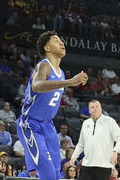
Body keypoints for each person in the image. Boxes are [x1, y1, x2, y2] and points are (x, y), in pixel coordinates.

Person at [17, 31, 88, 180]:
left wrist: (68, 81)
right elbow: (37, 85)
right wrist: (69, 82)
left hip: (48, 126)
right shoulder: (44, 65)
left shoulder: (60, 72)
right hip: (30, 123)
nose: (62, 43)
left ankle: (31, 172)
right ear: (47, 48)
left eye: (61, 40)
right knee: (48, 174)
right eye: (56, 41)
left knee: (56, 173)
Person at [71, 99, 120, 180]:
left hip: (104, 165)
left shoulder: (109, 121)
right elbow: (81, 143)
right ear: (89, 110)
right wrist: (74, 156)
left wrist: (115, 151)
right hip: (87, 165)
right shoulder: (85, 123)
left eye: (97, 107)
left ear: (101, 109)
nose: (95, 108)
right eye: (92, 107)